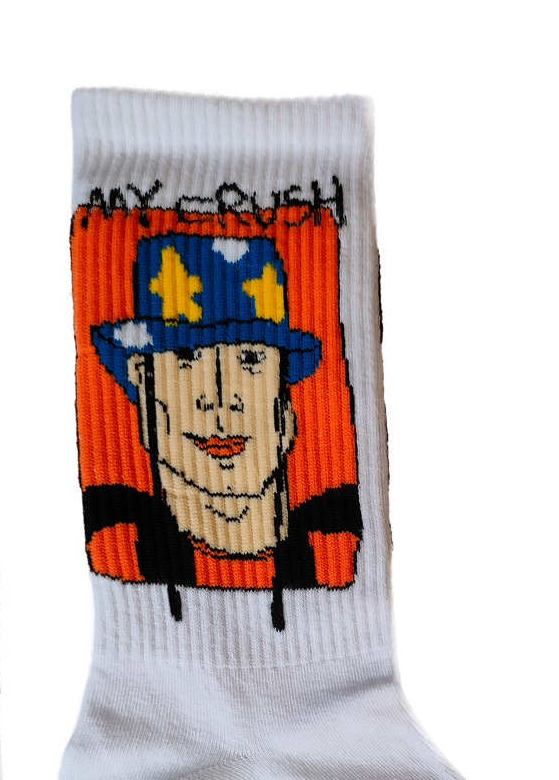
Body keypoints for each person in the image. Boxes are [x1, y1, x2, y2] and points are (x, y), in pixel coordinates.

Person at [88, 233, 363, 627]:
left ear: (285, 410)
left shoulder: (335, 551)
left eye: (250, 359)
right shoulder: (119, 548)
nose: (220, 399)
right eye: (185, 358)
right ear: (145, 398)